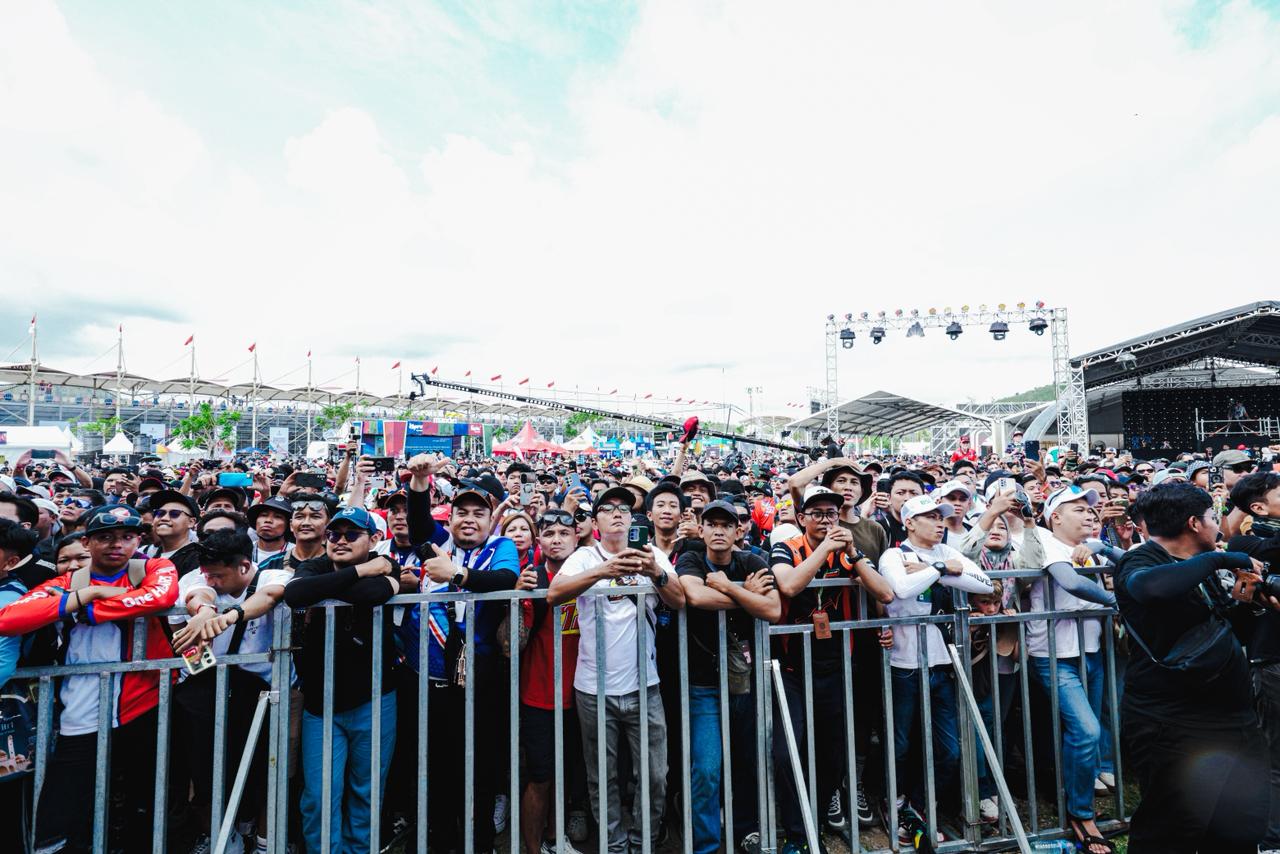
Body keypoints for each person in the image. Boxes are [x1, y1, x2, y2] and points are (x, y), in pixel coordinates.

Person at [0, 504, 179, 853]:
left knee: (144, 797)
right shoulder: (68, 582)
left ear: (138, 540)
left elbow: (163, 595)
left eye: (127, 536)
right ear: (88, 541)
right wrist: (87, 595)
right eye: (106, 537)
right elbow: (8, 618)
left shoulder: (154, 567)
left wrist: (90, 611)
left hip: (144, 699)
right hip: (80, 707)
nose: (117, 544)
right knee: (65, 805)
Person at [1115, 483, 1272, 852]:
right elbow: (1149, 589)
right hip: (1173, 723)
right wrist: (1221, 559)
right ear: (1194, 523)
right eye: (1212, 517)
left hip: (1233, 720)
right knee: (1172, 830)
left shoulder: (1197, 566)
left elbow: (1227, 630)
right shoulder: (1142, 560)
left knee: (1241, 826)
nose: (1218, 526)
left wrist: (1248, 600)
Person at [548, 485, 685, 854]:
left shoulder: (652, 553)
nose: (617, 513)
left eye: (624, 508)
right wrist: (602, 570)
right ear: (595, 522)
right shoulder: (583, 556)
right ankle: (614, 844)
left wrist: (655, 572)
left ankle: (644, 842)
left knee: (655, 774)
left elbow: (679, 600)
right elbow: (554, 593)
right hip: (593, 688)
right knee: (602, 776)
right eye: (608, 509)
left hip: (645, 685)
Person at [770, 485, 893, 851]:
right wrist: (824, 548)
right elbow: (789, 585)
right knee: (787, 753)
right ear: (801, 517)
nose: (826, 520)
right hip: (791, 670)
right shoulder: (786, 547)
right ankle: (796, 835)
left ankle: (816, 821)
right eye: (818, 513)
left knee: (833, 755)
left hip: (836, 668)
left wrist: (853, 554)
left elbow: (885, 592)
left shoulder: (846, 551)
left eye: (831, 513)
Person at [283, 506, 400, 854]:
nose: (341, 541)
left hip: (374, 700)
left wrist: (323, 590)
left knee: (367, 792)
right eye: (334, 534)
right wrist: (360, 572)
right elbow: (295, 594)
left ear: (374, 539)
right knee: (319, 796)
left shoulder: (385, 563)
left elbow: (372, 594)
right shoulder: (318, 566)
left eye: (352, 534)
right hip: (321, 706)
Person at [878, 494, 993, 843]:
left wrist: (935, 571)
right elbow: (901, 588)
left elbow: (984, 584)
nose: (939, 523)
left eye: (941, 517)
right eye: (930, 517)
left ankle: (919, 804)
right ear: (909, 523)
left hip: (941, 663)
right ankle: (894, 802)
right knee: (900, 743)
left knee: (950, 749)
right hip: (903, 663)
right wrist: (942, 570)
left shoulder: (944, 552)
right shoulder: (894, 555)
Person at [171, 529, 292, 854]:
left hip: (263, 691)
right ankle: (222, 837)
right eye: (207, 573)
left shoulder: (272, 574)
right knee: (205, 768)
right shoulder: (200, 577)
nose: (210, 580)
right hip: (207, 687)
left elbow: (272, 595)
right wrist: (204, 611)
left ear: (243, 566)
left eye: (218, 576)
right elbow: (196, 593)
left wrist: (229, 618)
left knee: (260, 768)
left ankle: (257, 831)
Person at [677, 499, 780, 854]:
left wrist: (730, 588)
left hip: (745, 680)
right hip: (703, 683)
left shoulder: (752, 561)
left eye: (726, 525)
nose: (719, 531)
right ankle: (706, 846)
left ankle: (746, 831)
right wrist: (747, 595)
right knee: (706, 768)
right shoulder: (690, 558)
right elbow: (695, 595)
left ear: (739, 531)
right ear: (701, 529)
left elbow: (773, 609)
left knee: (748, 760)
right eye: (712, 524)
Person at [519, 509, 588, 854]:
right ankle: (533, 848)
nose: (557, 540)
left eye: (564, 533)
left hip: (583, 693)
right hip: (540, 693)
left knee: (566, 774)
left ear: (577, 538)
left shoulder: (592, 575)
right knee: (540, 777)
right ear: (539, 541)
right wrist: (517, 599)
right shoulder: (531, 580)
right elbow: (511, 643)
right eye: (549, 533)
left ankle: (555, 839)